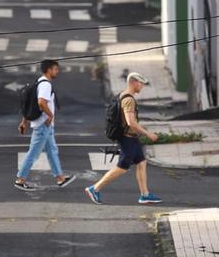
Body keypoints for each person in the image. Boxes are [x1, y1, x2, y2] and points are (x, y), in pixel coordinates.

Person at [85, 72, 162, 204]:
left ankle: (145, 194)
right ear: (133, 82)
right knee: (122, 167)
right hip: (127, 138)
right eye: (141, 83)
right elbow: (130, 122)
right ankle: (95, 188)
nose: (142, 86)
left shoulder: (122, 95)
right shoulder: (129, 100)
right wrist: (147, 133)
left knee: (141, 162)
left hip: (131, 137)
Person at [15, 59, 77, 191]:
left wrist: (24, 122)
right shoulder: (45, 85)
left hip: (45, 126)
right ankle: (20, 180)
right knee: (33, 153)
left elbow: (29, 104)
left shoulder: (39, 82)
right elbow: (41, 102)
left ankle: (60, 178)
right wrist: (50, 115)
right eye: (55, 69)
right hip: (43, 125)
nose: (57, 71)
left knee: (52, 151)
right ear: (49, 70)